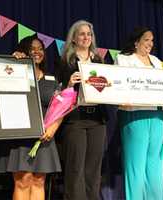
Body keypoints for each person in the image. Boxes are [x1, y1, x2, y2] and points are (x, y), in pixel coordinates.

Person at [0, 35, 61, 200]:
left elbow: (61, 108)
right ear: (24, 51)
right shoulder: (16, 72)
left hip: (44, 136)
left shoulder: (51, 79)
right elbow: (0, 84)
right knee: (23, 181)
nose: (37, 52)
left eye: (40, 49)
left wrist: (53, 128)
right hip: (21, 134)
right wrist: (13, 63)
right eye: (32, 49)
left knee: (39, 181)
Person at [115, 27, 163, 200]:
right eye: (146, 39)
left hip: (157, 116)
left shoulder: (156, 60)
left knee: (155, 166)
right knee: (136, 166)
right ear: (136, 42)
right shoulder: (123, 59)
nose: (150, 43)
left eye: (152, 40)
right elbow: (118, 85)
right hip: (135, 116)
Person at [56, 20, 109, 200]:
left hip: (97, 120)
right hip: (75, 120)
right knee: (75, 169)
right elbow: (59, 94)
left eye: (89, 34)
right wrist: (70, 83)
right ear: (73, 39)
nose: (86, 37)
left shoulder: (99, 60)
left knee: (93, 170)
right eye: (82, 34)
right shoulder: (66, 61)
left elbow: (108, 88)